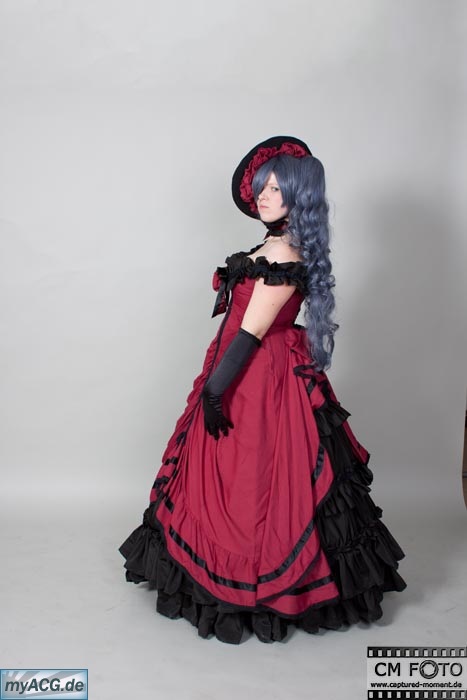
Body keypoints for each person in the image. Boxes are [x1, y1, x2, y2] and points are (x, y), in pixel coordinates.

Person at [119, 135, 407, 644]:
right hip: (239, 367)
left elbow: (251, 332)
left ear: (299, 195)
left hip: (257, 377)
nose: (265, 195)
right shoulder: (272, 246)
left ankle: (261, 586)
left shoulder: (284, 254)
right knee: (225, 474)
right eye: (264, 186)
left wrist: (215, 392)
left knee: (260, 481)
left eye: (277, 188)